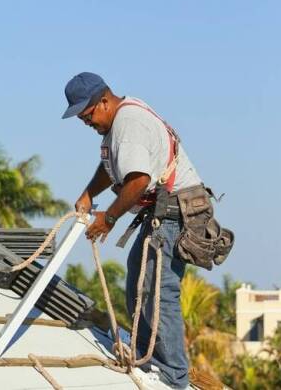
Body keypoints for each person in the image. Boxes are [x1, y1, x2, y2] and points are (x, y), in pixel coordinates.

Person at [62, 72, 194, 389]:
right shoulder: (117, 125)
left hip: (174, 213)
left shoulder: (128, 124)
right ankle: (149, 360)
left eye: (88, 114)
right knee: (139, 286)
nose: (86, 123)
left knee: (157, 292)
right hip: (160, 214)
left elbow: (137, 180)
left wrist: (108, 218)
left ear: (104, 101)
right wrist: (89, 193)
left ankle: (173, 375)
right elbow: (113, 168)